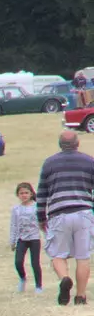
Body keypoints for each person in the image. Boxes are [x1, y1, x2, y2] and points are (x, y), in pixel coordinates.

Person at [35, 130, 94, 306]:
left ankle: (64, 278)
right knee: (83, 256)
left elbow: (42, 192)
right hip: (83, 212)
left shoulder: (49, 163)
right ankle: (81, 296)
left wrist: (40, 217)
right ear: (77, 143)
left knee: (57, 254)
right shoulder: (89, 161)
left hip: (59, 213)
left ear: (60, 145)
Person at [10, 183, 44, 294]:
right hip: (22, 239)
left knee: (35, 263)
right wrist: (12, 240)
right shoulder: (16, 209)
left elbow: (43, 222)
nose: (24, 195)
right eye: (21, 193)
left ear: (31, 194)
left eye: (26, 193)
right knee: (18, 262)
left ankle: (38, 286)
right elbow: (14, 225)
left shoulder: (36, 207)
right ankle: (22, 278)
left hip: (34, 238)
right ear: (17, 195)